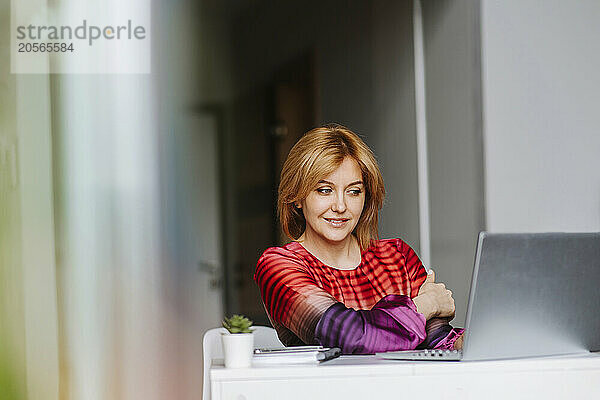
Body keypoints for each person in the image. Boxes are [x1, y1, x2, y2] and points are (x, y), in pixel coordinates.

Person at [254, 124, 464, 354]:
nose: (340, 206)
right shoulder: (279, 265)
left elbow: (438, 342)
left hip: (404, 388)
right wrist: (427, 305)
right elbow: (351, 337)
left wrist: (482, 338)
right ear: (296, 196)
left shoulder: (398, 257)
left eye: (354, 191)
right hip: (331, 390)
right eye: (324, 190)